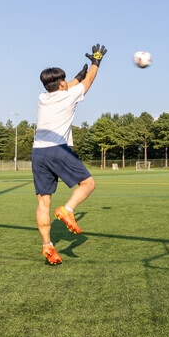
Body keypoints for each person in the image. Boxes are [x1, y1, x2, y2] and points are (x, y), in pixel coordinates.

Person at [31, 44, 107, 265]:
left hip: (38, 153)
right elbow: (88, 82)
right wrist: (96, 62)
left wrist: (75, 77)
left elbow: (72, 84)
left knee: (43, 203)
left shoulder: (43, 98)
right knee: (88, 184)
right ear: (61, 84)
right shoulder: (69, 95)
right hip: (57, 149)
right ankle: (68, 209)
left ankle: (48, 246)